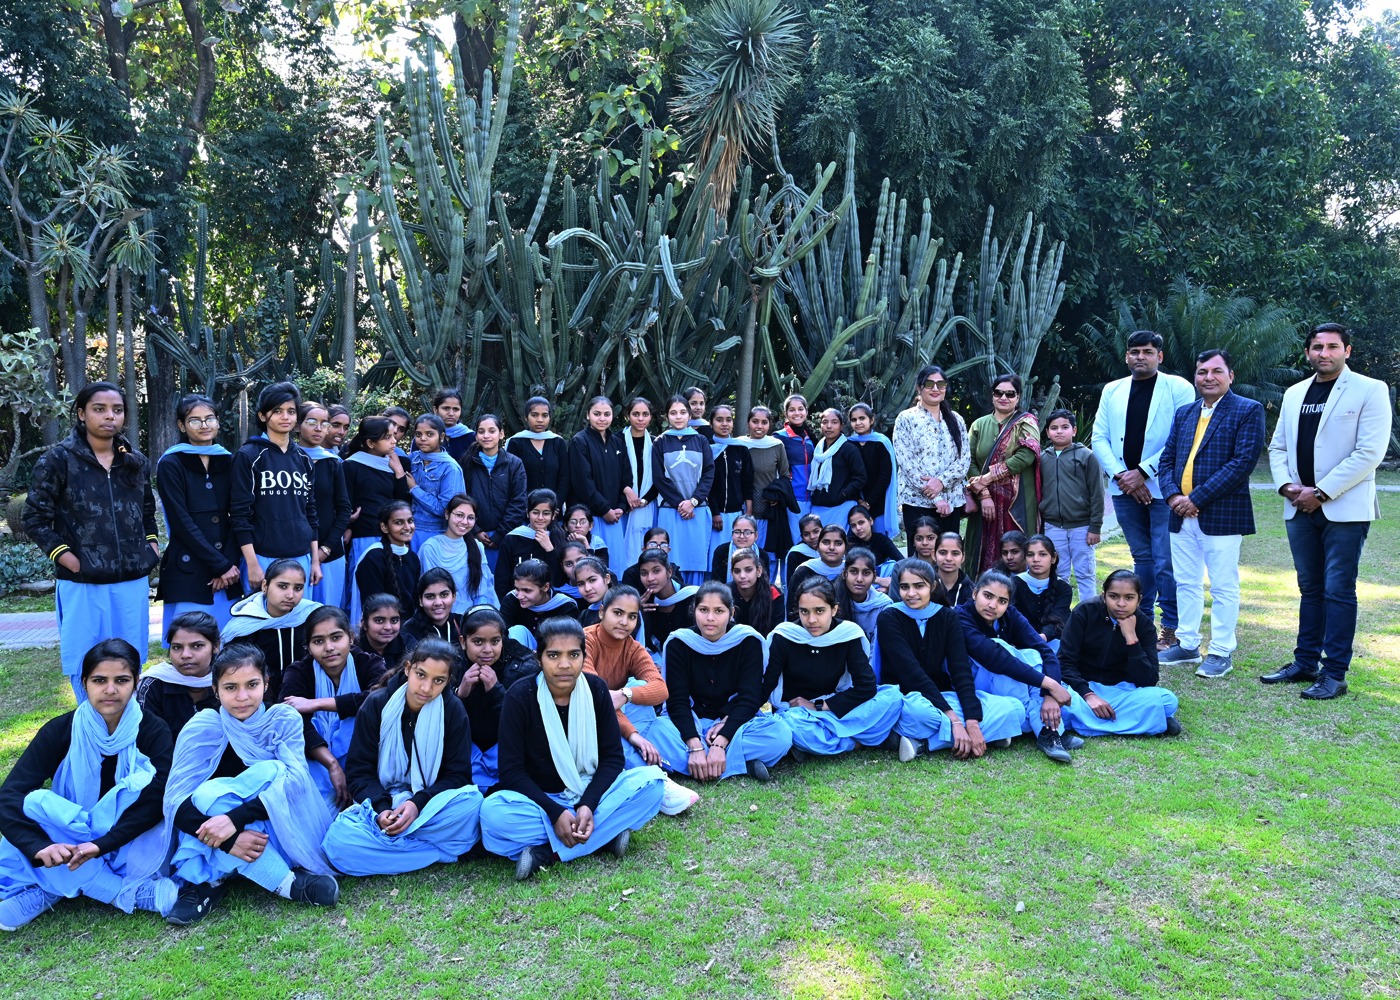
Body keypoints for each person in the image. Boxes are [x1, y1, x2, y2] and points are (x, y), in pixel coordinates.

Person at [0, 640, 175, 930]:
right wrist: (39, 846)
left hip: (128, 836)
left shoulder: (152, 729)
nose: (110, 690)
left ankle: (52, 886)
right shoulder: (61, 729)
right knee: (35, 803)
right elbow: (10, 794)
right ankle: (121, 893)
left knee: (144, 792)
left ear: (136, 682)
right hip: (70, 836)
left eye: (121, 680)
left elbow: (157, 799)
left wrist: (101, 844)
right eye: (99, 680)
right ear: (84, 684)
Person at [162, 644, 339, 925]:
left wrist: (234, 821)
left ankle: (214, 878)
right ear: (215, 689)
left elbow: (295, 784)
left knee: (273, 771)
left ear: (266, 683)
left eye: (252, 685)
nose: (242, 697)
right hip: (214, 831)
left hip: (279, 827)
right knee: (206, 796)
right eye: (230, 687)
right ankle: (287, 883)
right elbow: (176, 801)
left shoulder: (282, 720)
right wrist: (229, 841)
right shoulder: (202, 727)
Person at [479, 617, 667, 880]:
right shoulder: (520, 695)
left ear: (584, 657)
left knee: (653, 784)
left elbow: (613, 759)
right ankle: (602, 837)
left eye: (573, 655)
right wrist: (555, 813)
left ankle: (547, 853)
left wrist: (588, 804)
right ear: (539, 658)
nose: (564, 664)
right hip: (540, 800)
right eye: (553, 655)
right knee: (492, 815)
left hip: (591, 792)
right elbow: (511, 771)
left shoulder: (596, 690)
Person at [1264, 323, 1392, 698]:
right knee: (1310, 588)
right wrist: (1287, 487)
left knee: (1338, 590)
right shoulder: (1294, 393)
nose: (1325, 353)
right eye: (1317, 347)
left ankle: (1334, 673)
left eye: (1333, 347)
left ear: (1347, 351)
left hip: (1344, 508)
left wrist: (1320, 493)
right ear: (1307, 352)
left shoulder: (1370, 389)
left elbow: (1369, 452)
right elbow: (1278, 448)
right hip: (1298, 507)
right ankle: (1305, 662)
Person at [24, 381, 159, 699]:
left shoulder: (134, 461)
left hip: (131, 581)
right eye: (100, 409)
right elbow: (34, 518)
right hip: (82, 583)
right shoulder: (58, 460)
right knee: (86, 661)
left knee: (129, 658)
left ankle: (128, 724)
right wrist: (69, 559)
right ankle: (90, 725)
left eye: (117, 410)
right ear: (82, 413)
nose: (110, 416)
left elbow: (147, 512)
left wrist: (150, 548)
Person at [321, 639, 482, 876]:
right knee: (338, 843)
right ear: (408, 669)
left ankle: (389, 848)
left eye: (438, 680)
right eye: (421, 675)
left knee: (472, 804)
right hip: (383, 803)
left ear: (448, 681)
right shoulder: (377, 704)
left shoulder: (453, 710)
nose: (426, 688)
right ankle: (440, 853)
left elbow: (458, 775)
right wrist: (382, 810)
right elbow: (359, 772)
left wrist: (417, 804)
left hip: (428, 806)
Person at [1157, 349, 1267, 678]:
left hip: (1221, 513)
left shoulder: (1248, 410)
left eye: (1217, 371)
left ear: (1230, 376)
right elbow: (1167, 459)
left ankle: (1220, 650)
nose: (1209, 377)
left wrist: (1196, 498)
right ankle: (1187, 644)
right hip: (1180, 513)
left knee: (1222, 585)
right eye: (1202, 371)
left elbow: (1242, 463)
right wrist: (1173, 495)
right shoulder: (1185, 413)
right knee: (1185, 582)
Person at [1090, 330, 1197, 650]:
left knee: (1165, 560)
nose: (1140, 357)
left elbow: (1182, 436)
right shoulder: (1113, 389)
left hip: (1164, 489)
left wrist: (1143, 473)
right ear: (1127, 356)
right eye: (1135, 352)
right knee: (1143, 559)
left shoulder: (1178, 387)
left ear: (1159, 356)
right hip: (1124, 489)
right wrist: (1123, 476)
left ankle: (1172, 628)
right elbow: (1099, 437)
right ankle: (1143, 622)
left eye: (1148, 352)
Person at [877, 560, 1024, 761]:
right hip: (907, 697)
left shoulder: (947, 616)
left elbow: (960, 670)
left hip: (942, 695)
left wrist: (971, 721)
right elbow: (911, 674)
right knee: (919, 714)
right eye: (904, 587)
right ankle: (990, 734)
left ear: (932, 586)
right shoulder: (889, 617)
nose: (911, 593)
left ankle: (924, 744)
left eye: (919, 586)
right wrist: (954, 720)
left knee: (1014, 708)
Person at [651, 582, 793, 782]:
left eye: (719, 611)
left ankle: (700, 765)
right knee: (654, 731)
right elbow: (677, 700)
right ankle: (738, 763)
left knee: (780, 735)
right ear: (694, 610)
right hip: (690, 721)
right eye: (703, 610)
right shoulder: (679, 642)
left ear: (731, 612)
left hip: (734, 721)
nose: (710, 618)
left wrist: (722, 739)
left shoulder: (747, 640)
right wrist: (695, 745)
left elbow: (749, 698)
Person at [765, 577, 903, 759]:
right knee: (790, 725)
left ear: (834, 609)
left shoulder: (847, 634)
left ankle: (816, 744)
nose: (811, 620)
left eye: (819, 611)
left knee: (892, 698)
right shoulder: (785, 636)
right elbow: (766, 685)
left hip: (833, 705)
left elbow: (866, 686)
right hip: (798, 713)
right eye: (804, 612)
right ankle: (857, 742)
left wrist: (818, 706)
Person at [955, 570, 1078, 763]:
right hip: (972, 684)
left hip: (1003, 683)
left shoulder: (1010, 615)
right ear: (975, 593)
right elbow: (993, 657)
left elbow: (1044, 650)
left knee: (1033, 654)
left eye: (1002, 601)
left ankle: (1049, 731)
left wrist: (1049, 695)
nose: (993, 605)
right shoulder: (960, 616)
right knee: (1002, 648)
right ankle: (1047, 730)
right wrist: (1050, 684)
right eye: (988, 596)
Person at [281, 605, 385, 808]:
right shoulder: (299, 672)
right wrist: (332, 764)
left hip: (366, 758)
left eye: (336, 637)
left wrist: (316, 704)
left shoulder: (369, 663)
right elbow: (292, 722)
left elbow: (378, 699)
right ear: (308, 647)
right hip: (316, 761)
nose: (329, 647)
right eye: (318, 641)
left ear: (351, 638)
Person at [1058, 571, 1182, 738]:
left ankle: (1080, 722)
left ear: (1139, 599)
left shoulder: (1145, 626)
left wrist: (1131, 638)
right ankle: (1150, 721)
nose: (1121, 604)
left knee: (1167, 700)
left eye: (1129, 598)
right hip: (1080, 688)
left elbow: (1149, 680)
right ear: (1104, 596)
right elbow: (1064, 662)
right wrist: (1088, 694)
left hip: (1121, 691)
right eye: (1114, 596)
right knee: (1050, 698)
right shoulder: (1084, 612)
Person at [156, 394, 241, 637]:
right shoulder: (171, 463)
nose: (204, 425)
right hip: (189, 566)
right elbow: (180, 521)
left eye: (209, 419)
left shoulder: (230, 460)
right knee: (191, 642)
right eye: (195, 420)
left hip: (230, 569)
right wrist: (220, 565)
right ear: (182, 425)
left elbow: (239, 514)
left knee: (229, 642)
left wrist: (229, 564)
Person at [229, 381, 321, 591]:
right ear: (263, 416)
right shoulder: (248, 456)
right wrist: (252, 564)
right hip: (262, 558)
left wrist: (315, 560)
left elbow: (310, 511)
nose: (285, 417)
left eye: (291, 411)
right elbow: (239, 514)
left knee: (300, 613)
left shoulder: (304, 459)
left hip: (302, 557)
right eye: (277, 411)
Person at [583, 586, 669, 769]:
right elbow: (595, 697)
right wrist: (632, 733)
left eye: (632, 616)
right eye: (617, 613)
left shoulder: (633, 648)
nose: (624, 622)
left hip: (613, 712)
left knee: (639, 688)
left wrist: (625, 694)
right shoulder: (584, 641)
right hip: (582, 716)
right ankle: (643, 766)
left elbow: (661, 689)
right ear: (601, 612)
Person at [965, 374, 1042, 574]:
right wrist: (984, 495)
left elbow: (1026, 456)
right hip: (985, 501)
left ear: (1018, 397)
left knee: (1018, 546)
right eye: (999, 393)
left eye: (1010, 394)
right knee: (982, 547)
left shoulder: (1026, 422)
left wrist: (988, 477)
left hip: (1017, 500)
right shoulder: (979, 425)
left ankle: (1022, 588)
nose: (1004, 398)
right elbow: (968, 461)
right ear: (992, 395)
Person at [455, 608, 539, 790]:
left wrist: (496, 691)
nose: (488, 650)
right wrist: (460, 694)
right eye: (478, 642)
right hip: (465, 750)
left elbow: (525, 725)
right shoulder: (451, 665)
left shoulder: (523, 668)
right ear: (463, 641)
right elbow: (442, 723)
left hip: (507, 751)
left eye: (495, 641)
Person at [220, 557, 322, 702]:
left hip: (308, 697)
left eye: (298, 588)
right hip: (256, 701)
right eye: (282, 586)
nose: (290, 595)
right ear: (265, 586)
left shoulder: (312, 617)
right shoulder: (244, 626)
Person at [342, 416, 412, 617]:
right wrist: (348, 525)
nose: (394, 441)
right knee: (366, 589)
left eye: (394, 435)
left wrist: (399, 472)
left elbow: (401, 502)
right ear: (371, 443)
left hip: (392, 537)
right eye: (387, 437)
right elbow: (346, 501)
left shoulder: (395, 462)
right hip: (364, 536)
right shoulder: (351, 465)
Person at [893, 364, 970, 547]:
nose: (935, 389)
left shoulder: (956, 419)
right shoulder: (906, 418)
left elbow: (964, 459)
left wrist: (942, 481)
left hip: (951, 501)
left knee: (948, 553)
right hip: (917, 501)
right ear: (919, 388)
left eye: (940, 384)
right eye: (929, 384)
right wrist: (936, 497)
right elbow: (907, 462)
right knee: (921, 555)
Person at [1039, 409, 1104, 605]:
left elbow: (1097, 493)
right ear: (1047, 432)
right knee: (1058, 573)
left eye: (1065, 427)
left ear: (1074, 430)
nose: (1059, 431)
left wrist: (1095, 527)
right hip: (1053, 526)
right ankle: (1059, 614)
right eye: (1054, 428)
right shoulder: (1043, 458)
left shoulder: (1087, 456)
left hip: (1082, 527)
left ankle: (1089, 613)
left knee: (1085, 572)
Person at [653, 395, 716, 586]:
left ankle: (695, 599)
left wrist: (693, 501)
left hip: (697, 510)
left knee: (695, 560)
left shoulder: (701, 441)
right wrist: (681, 504)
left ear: (689, 415)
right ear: (667, 416)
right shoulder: (660, 442)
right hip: (671, 510)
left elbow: (708, 473)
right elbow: (659, 478)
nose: (678, 417)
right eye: (673, 413)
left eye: (682, 412)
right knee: (670, 560)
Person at [297, 402, 352, 611]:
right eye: (312, 422)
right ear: (297, 425)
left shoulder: (333, 463)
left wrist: (325, 549)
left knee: (328, 614)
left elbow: (343, 509)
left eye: (324, 423)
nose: (319, 429)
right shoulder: (286, 460)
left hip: (330, 553)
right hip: (296, 551)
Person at [566, 396, 627, 576]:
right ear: (588, 415)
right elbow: (583, 483)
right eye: (597, 414)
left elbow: (626, 478)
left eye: (607, 414)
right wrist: (605, 509)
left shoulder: (617, 442)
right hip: (592, 518)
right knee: (593, 568)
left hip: (614, 517)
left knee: (615, 567)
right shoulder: (579, 441)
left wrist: (621, 507)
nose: (602, 418)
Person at [138, 612, 220, 740]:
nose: (185, 655)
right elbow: (147, 738)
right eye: (177, 647)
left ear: (216, 646)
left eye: (197, 646)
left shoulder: (226, 681)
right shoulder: (155, 685)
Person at [465, 413, 529, 570]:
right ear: (476, 435)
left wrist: (500, 534)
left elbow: (518, 502)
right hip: (475, 537)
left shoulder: (514, 464)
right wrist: (475, 530)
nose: (486, 436)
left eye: (492, 431)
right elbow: (462, 499)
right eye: (481, 431)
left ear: (501, 434)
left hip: (507, 536)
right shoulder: (467, 463)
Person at [736, 404, 790, 575]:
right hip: (742, 510)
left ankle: (767, 589)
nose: (759, 426)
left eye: (764, 422)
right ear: (748, 423)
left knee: (768, 557)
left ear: (769, 425)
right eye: (755, 421)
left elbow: (785, 475)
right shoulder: (738, 445)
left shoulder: (776, 445)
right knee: (744, 556)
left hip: (769, 511)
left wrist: (776, 495)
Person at [419, 494, 497, 613]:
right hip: (441, 614)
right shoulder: (431, 548)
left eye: (470, 517)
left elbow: (484, 589)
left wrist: (479, 614)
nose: (464, 522)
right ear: (447, 514)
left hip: (474, 615)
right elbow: (430, 589)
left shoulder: (477, 547)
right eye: (459, 515)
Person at [353, 501, 420, 623]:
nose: (407, 527)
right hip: (383, 625)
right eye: (399, 522)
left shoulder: (413, 558)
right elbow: (372, 605)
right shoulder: (373, 558)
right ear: (384, 527)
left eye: (410, 521)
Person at [495, 488, 566, 602]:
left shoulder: (559, 538)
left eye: (546, 513)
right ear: (528, 513)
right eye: (535, 512)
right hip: (518, 601)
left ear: (553, 515)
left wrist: (550, 549)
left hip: (548, 602)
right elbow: (502, 578)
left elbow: (559, 580)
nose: (540, 518)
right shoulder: (512, 538)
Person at [409, 413, 467, 552]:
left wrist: (414, 489)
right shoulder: (413, 459)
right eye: (418, 434)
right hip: (410, 529)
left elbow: (445, 509)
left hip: (435, 532)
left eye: (429, 434)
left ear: (441, 437)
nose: (423, 438)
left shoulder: (450, 468)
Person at [706, 404, 755, 570]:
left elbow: (748, 482)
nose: (724, 424)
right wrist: (715, 512)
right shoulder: (706, 448)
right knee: (715, 557)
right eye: (719, 420)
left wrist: (748, 512)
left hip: (736, 514)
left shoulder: (741, 449)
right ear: (711, 423)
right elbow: (707, 485)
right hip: (713, 515)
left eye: (728, 420)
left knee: (736, 557)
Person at [614, 396, 658, 570]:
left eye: (645, 414)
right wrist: (627, 492)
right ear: (627, 415)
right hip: (622, 505)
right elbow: (611, 473)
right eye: (636, 414)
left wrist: (644, 500)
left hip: (648, 505)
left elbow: (660, 477)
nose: (640, 419)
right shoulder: (616, 440)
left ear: (651, 417)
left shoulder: (656, 442)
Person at [808, 408, 868, 529]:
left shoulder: (849, 449)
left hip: (842, 507)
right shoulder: (818, 450)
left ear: (841, 425)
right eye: (825, 422)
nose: (829, 426)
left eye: (834, 422)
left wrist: (843, 494)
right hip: (818, 507)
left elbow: (860, 477)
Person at [635, 547, 698, 662]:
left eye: (656, 571)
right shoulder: (645, 603)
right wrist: (636, 614)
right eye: (644, 573)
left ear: (669, 572)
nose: (650, 578)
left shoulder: (693, 597)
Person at [847, 403, 899, 536]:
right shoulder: (848, 444)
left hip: (879, 499)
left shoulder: (881, 442)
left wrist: (868, 502)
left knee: (879, 537)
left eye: (862, 418)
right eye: (854, 419)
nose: (858, 423)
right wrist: (859, 500)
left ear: (871, 420)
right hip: (855, 500)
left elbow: (885, 475)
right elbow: (847, 474)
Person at [501, 560, 579, 646]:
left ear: (545, 587)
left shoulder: (565, 606)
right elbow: (502, 635)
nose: (519, 596)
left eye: (527, 590)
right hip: (517, 653)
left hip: (553, 651)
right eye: (517, 589)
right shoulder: (511, 600)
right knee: (517, 631)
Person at [508, 396, 571, 500]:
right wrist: (523, 505)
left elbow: (564, 477)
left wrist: (557, 504)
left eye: (545, 415)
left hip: (554, 506)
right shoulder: (516, 442)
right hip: (524, 506)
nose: (540, 420)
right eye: (534, 415)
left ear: (550, 417)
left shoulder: (558, 442)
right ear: (526, 417)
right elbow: (512, 477)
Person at [1015, 534, 1072, 648]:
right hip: (1019, 641)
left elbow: (1059, 619)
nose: (1036, 559)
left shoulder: (1063, 588)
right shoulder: (1014, 584)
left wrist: (1042, 637)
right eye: (1030, 555)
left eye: (1042, 554)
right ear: (1025, 558)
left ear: (1053, 558)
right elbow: (1012, 618)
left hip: (1052, 641)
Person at [776, 394, 817, 544]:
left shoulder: (811, 437)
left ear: (806, 411)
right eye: (792, 410)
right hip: (793, 499)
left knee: (814, 541)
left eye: (800, 409)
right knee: (796, 540)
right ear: (785, 413)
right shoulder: (779, 437)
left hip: (813, 498)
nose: (797, 413)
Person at [786, 524, 848, 619]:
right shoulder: (803, 571)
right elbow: (792, 609)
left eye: (838, 543)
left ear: (846, 548)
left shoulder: (850, 571)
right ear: (818, 546)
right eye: (826, 542)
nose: (832, 547)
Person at [836, 548, 894, 645]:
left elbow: (878, 646)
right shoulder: (833, 602)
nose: (859, 579)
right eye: (853, 572)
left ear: (874, 576)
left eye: (866, 573)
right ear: (844, 573)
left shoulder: (883, 605)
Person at [401, 568, 464, 652]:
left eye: (444, 595)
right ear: (420, 600)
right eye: (430, 597)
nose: (438, 603)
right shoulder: (409, 631)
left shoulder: (463, 624)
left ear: (454, 596)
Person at [730, 546, 781, 634]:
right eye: (737, 571)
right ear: (732, 573)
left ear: (759, 571)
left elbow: (776, 632)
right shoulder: (725, 594)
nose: (742, 576)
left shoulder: (773, 594)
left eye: (748, 570)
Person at [845, 505, 902, 573]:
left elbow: (902, 562)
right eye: (853, 525)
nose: (858, 528)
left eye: (861, 522)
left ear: (871, 521)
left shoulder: (881, 540)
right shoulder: (850, 543)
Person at [358, 594, 407, 668]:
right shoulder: (355, 652)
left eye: (394, 620)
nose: (388, 627)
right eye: (379, 621)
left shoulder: (408, 645)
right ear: (364, 624)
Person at [709, 514, 760, 582]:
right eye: (737, 532)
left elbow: (764, 584)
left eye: (747, 532)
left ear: (756, 535)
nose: (741, 536)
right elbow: (716, 584)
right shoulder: (721, 552)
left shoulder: (762, 555)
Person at [930, 531, 974, 608]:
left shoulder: (971, 590)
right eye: (943, 553)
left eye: (955, 553)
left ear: (963, 557)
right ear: (934, 555)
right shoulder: (924, 584)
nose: (949, 558)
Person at [433, 388, 475, 465]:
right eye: (446, 408)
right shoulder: (425, 435)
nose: (451, 414)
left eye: (456, 409)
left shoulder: (471, 437)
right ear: (435, 410)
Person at [783, 513, 823, 590]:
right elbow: (792, 586)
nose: (812, 537)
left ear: (823, 530)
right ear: (802, 537)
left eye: (816, 531)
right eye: (806, 534)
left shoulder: (830, 550)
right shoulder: (795, 554)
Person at [564, 502, 609, 567]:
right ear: (566, 526)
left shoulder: (597, 542)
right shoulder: (560, 541)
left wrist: (586, 544)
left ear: (590, 526)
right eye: (573, 522)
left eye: (583, 522)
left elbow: (602, 569)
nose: (578, 525)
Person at [573, 556, 612, 628]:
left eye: (592, 580)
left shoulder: (622, 608)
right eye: (581, 584)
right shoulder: (584, 615)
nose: (587, 589)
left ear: (607, 579)